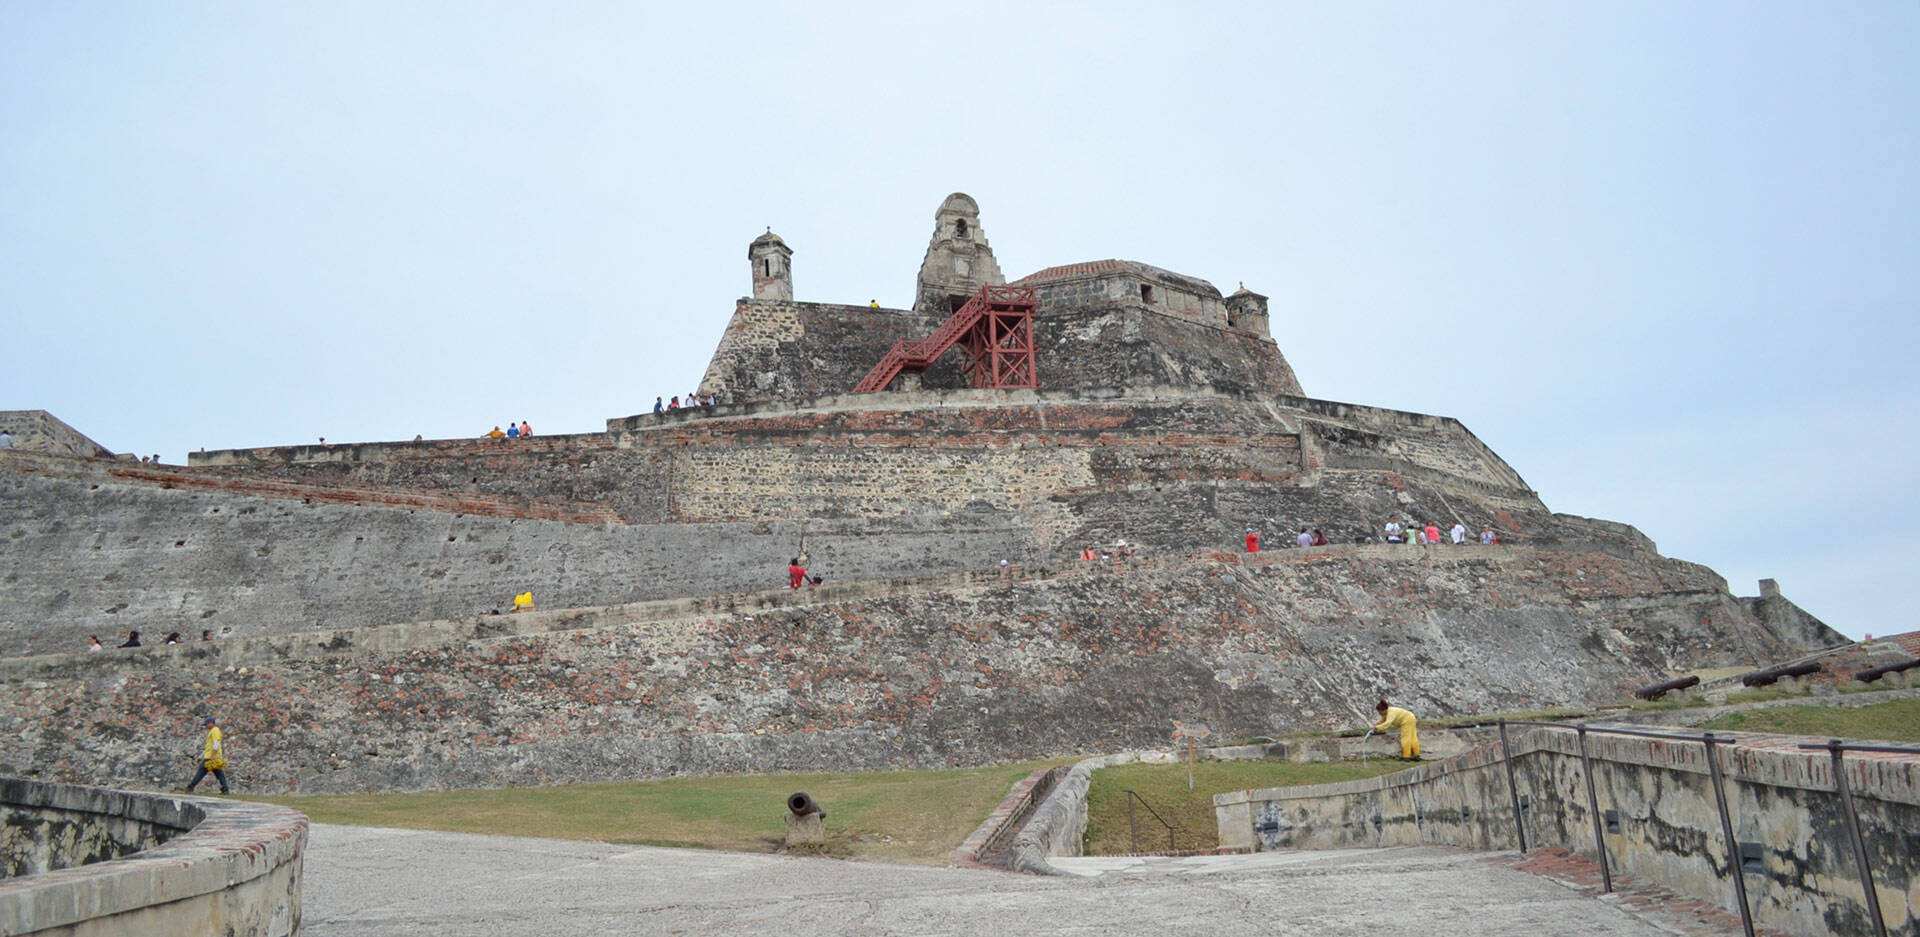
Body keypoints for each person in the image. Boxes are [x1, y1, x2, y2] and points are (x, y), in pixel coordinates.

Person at [185, 716, 230, 794]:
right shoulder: (213, 731)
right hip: (213, 756)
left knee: (201, 772)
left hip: (211, 756)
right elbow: (209, 746)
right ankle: (225, 789)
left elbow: (216, 743)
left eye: (206, 724)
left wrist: (212, 757)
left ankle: (190, 787)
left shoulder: (215, 730)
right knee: (219, 774)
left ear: (211, 723)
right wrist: (201, 756)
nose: (205, 726)